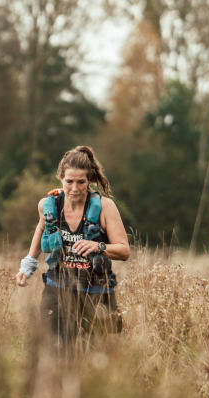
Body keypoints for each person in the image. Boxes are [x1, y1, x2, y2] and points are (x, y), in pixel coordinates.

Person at [16, 146, 130, 345]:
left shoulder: (105, 207)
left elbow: (124, 250)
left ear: (90, 180)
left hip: (96, 290)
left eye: (81, 182)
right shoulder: (48, 206)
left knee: (96, 354)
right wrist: (28, 265)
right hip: (57, 287)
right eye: (69, 182)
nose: (75, 188)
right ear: (61, 178)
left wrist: (99, 246)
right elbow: (41, 228)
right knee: (53, 350)